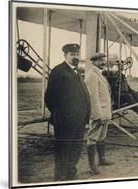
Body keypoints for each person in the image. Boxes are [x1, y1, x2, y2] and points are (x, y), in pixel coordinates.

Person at [44, 43, 91, 181]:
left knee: (75, 150)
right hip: (65, 122)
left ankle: (71, 175)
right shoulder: (58, 71)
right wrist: (60, 115)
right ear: (65, 55)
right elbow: (50, 97)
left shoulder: (77, 71)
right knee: (63, 151)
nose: (76, 57)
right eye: (72, 54)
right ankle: (60, 179)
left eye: (77, 54)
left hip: (79, 121)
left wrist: (86, 117)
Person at [85, 52, 114, 175]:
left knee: (101, 137)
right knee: (92, 138)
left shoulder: (98, 74)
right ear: (94, 62)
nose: (103, 62)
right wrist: (98, 115)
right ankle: (92, 166)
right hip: (99, 113)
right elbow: (93, 98)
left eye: (104, 60)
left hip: (105, 112)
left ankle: (101, 159)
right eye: (100, 60)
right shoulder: (92, 75)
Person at [102, 54, 138, 119]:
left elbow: (127, 87)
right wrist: (115, 80)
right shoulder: (107, 74)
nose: (118, 66)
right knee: (128, 96)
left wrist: (132, 92)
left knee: (135, 93)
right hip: (115, 98)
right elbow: (111, 87)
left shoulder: (121, 75)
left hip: (123, 95)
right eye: (116, 64)